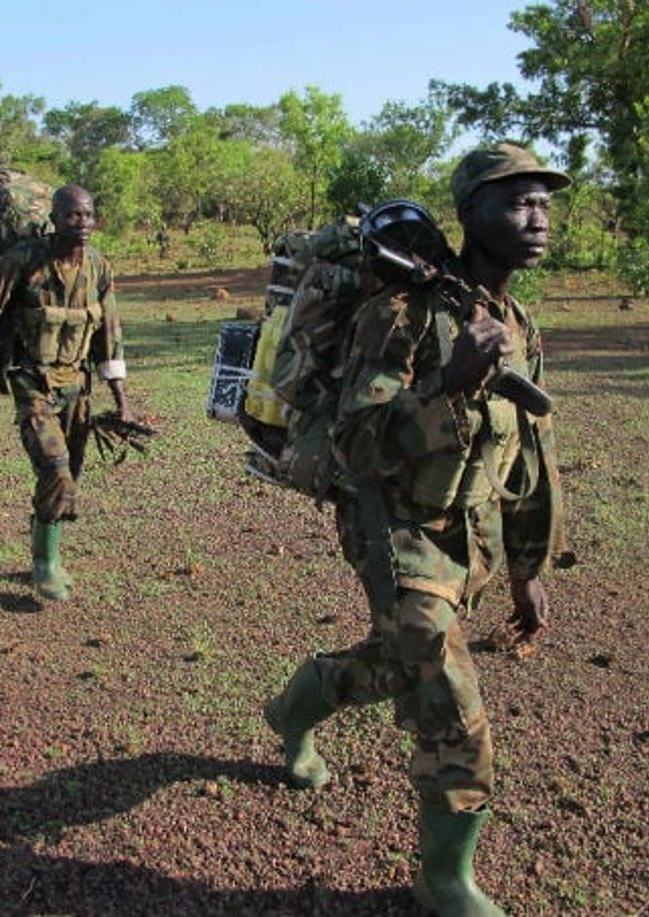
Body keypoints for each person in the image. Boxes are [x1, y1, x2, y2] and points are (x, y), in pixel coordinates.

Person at [264, 144, 569, 917]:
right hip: (391, 529)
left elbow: (531, 451)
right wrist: (447, 382)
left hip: (467, 534)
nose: (534, 216)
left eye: (542, 201)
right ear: (469, 215)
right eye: (513, 202)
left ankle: (299, 703)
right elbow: (356, 444)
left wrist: (530, 566)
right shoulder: (398, 314)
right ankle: (444, 881)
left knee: (399, 664)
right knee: (446, 695)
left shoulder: (515, 320)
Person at [0, 185, 133, 602]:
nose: (82, 224)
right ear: (54, 219)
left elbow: (109, 336)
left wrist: (122, 400)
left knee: (68, 477)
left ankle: (48, 553)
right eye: (73, 216)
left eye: (89, 216)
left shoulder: (99, 268)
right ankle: (45, 567)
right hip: (32, 382)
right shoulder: (21, 262)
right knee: (55, 469)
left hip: (76, 387)